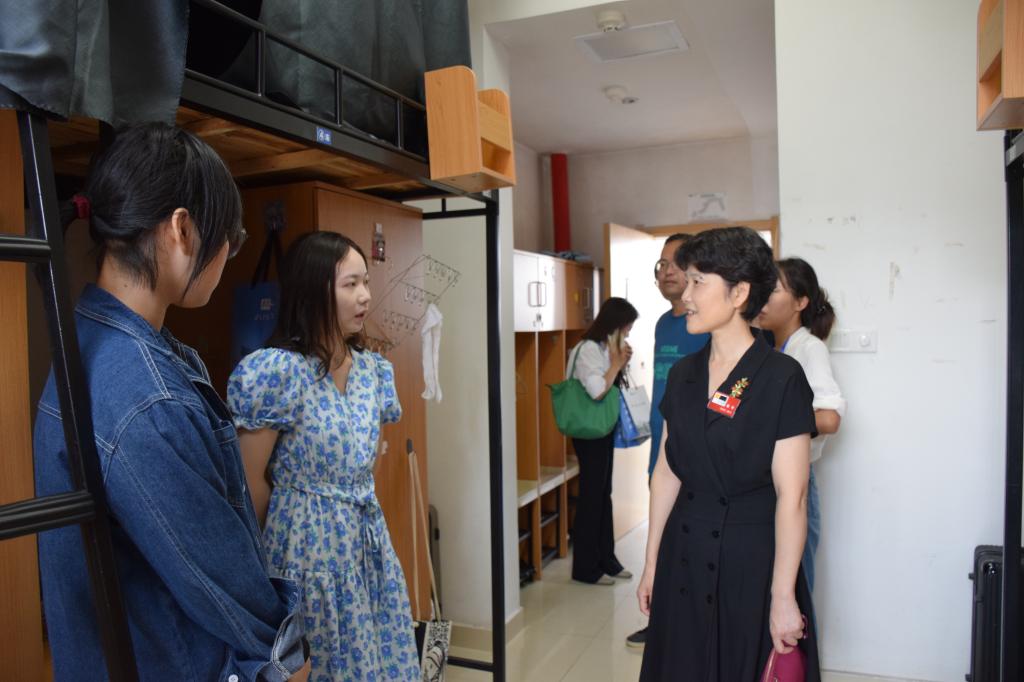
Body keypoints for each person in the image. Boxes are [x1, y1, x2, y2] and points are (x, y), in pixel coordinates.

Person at [33, 123, 311, 681]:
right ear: (182, 229)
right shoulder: (147, 396)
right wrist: (287, 659)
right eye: (230, 236)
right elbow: (220, 578)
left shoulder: (87, 337)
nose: (229, 253)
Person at [228, 231, 420, 681]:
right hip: (304, 551)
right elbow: (249, 482)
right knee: (324, 661)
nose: (365, 295)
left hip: (365, 544)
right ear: (313, 290)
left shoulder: (373, 371)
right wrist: (268, 560)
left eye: (366, 282)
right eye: (350, 284)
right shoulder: (279, 372)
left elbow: (364, 466)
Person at [638, 227, 821, 681]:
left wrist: (783, 595)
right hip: (684, 554)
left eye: (699, 282)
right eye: (688, 280)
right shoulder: (684, 374)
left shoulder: (781, 377)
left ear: (739, 293)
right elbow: (667, 473)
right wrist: (652, 563)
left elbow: (793, 496)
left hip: (750, 563)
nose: (687, 294)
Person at [626, 233, 709, 649]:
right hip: (661, 451)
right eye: (662, 263)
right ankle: (661, 622)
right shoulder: (662, 323)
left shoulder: (707, 324)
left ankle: (691, 629)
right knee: (663, 542)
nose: (667, 271)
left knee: (692, 547)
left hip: (697, 460)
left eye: (677, 262)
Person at [757, 257, 846, 592]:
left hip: (795, 480)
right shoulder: (770, 348)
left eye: (773, 290)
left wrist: (772, 425)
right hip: (768, 480)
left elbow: (830, 418)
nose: (762, 298)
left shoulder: (810, 348)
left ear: (800, 302)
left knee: (795, 588)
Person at [566, 296, 638, 585]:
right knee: (591, 498)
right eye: (627, 327)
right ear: (615, 325)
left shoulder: (602, 349)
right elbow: (597, 390)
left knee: (603, 495)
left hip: (602, 429)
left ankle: (607, 559)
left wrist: (620, 362)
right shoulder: (587, 350)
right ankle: (585, 569)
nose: (629, 332)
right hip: (588, 432)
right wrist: (616, 364)